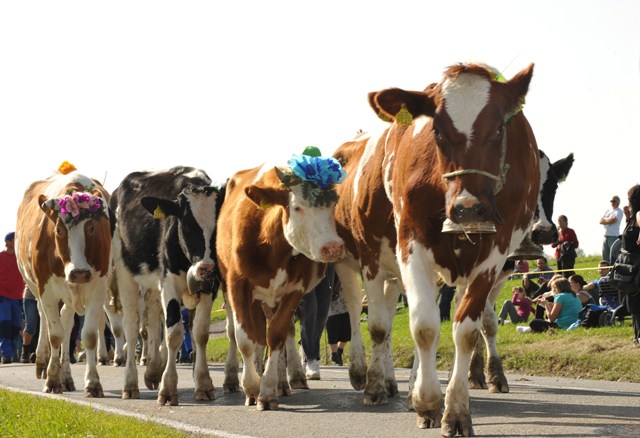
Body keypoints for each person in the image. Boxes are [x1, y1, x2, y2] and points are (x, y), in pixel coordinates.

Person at [613, 184, 640, 345]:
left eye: (629, 197)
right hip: (630, 269)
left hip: (636, 269)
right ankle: (637, 336)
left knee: (636, 304)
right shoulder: (633, 216)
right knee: (634, 304)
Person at [299, 264, 334, 380]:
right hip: (305, 259)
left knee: (322, 312)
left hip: (327, 261)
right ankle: (311, 358)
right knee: (309, 308)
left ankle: (306, 348)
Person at [0, 232, 26, 364]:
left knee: (16, 326)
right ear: (8, 242)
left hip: (17, 297)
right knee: (4, 325)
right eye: (15, 239)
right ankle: (7, 354)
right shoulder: (1, 257)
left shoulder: (20, 258)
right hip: (2, 297)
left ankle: (11, 350)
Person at [325, 273, 350, 366]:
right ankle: (334, 355)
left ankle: (339, 351)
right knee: (333, 330)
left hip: (345, 301)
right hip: (331, 304)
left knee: (347, 332)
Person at [600, 195, 624, 263]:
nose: (612, 202)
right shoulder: (608, 210)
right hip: (605, 235)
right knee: (605, 257)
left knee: (613, 256)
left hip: (613, 235)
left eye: (614, 201)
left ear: (618, 202)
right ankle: (606, 271)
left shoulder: (619, 211)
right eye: (611, 201)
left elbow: (613, 221)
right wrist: (609, 220)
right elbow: (600, 221)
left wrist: (605, 220)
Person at [20, 286, 39, 363]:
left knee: (42, 327)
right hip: (30, 297)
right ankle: (25, 351)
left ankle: (37, 352)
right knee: (30, 326)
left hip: (46, 297)